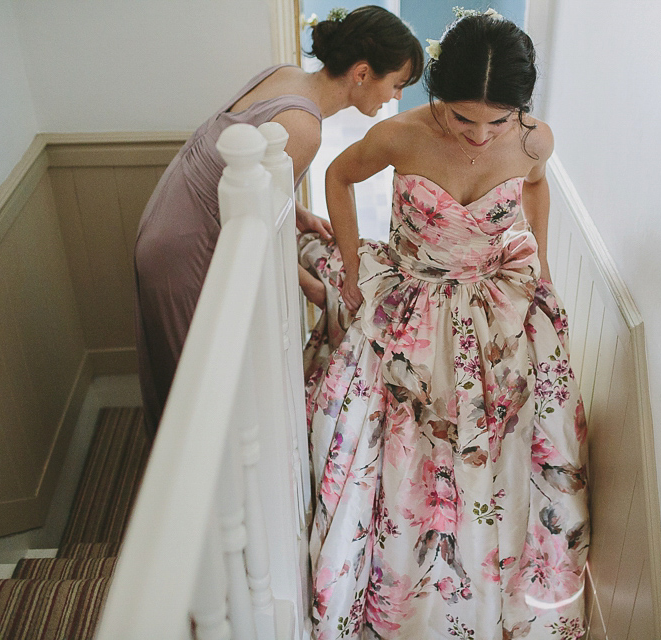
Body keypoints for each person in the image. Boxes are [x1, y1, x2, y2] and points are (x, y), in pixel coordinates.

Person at [306, 10, 590, 639]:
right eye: (463, 118)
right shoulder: (401, 134)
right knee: (408, 451)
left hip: (497, 311)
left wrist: (537, 262)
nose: (482, 136)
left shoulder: (535, 139)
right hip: (413, 303)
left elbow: (536, 186)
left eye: (498, 120)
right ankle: (405, 598)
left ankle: (487, 594)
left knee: (500, 453)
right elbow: (337, 176)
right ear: (436, 95)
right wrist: (353, 268)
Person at [134, 6, 423, 435]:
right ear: (362, 73)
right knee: (197, 391)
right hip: (187, 247)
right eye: (396, 84)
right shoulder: (303, 128)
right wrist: (317, 288)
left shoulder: (285, 74)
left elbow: (240, 176)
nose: (396, 98)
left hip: (165, 216)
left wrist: (297, 212)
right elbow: (259, 240)